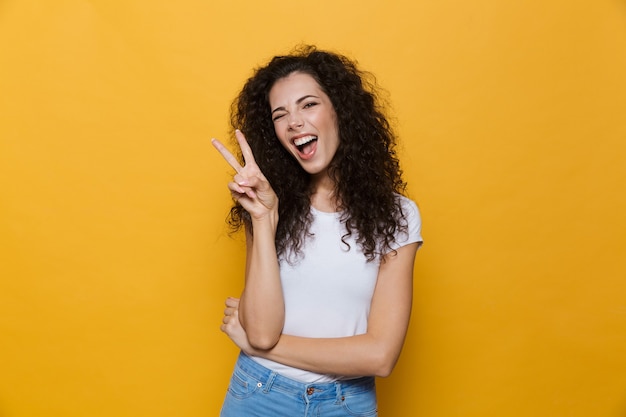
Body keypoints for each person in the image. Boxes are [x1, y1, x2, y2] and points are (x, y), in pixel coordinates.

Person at [212, 45, 423, 417]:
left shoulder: (398, 216)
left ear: (340, 110)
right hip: (258, 395)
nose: (294, 121)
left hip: (346, 404)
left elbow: (380, 356)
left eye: (308, 104)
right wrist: (264, 219)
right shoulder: (265, 205)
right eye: (281, 114)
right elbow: (261, 331)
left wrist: (264, 347)